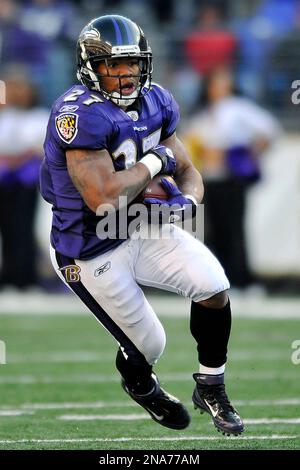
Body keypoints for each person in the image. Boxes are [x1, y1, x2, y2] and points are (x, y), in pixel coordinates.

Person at [40, 14, 244, 435]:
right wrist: (154, 163)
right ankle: (141, 385)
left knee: (212, 284)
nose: (126, 74)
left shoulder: (157, 101)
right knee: (150, 345)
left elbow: (188, 170)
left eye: (132, 63)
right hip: (89, 246)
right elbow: (103, 199)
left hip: (139, 224)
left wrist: (187, 200)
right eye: (113, 65)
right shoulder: (79, 113)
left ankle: (211, 383)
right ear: (90, 66)